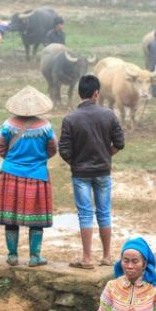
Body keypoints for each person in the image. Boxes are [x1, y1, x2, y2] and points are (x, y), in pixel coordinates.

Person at [59, 75, 124, 269]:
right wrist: (106, 155)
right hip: (103, 171)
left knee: (85, 214)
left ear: (80, 93)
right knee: (104, 213)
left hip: (80, 173)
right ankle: (106, 256)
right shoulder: (109, 115)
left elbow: (64, 150)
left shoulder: (70, 118)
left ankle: (86, 259)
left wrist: (76, 163)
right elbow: (119, 143)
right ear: (96, 93)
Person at [0, 86, 57, 267]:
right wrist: (39, 159)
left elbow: (0, 146)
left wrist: (12, 161)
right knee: (36, 219)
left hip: (10, 175)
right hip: (37, 176)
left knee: (11, 217)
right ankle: (34, 257)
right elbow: (53, 148)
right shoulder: (45, 127)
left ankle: (12, 255)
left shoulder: (8, 125)